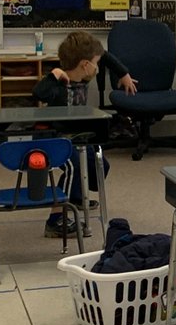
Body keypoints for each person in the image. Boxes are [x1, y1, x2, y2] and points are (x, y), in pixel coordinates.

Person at [31, 31, 137, 238]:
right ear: (85, 65)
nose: (98, 66)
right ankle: (55, 219)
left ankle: (76, 197)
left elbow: (104, 54)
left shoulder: (83, 77)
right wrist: (53, 75)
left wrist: (123, 73)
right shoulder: (59, 84)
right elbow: (38, 93)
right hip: (51, 140)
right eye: (96, 63)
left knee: (99, 164)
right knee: (75, 167)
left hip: (75, 138)